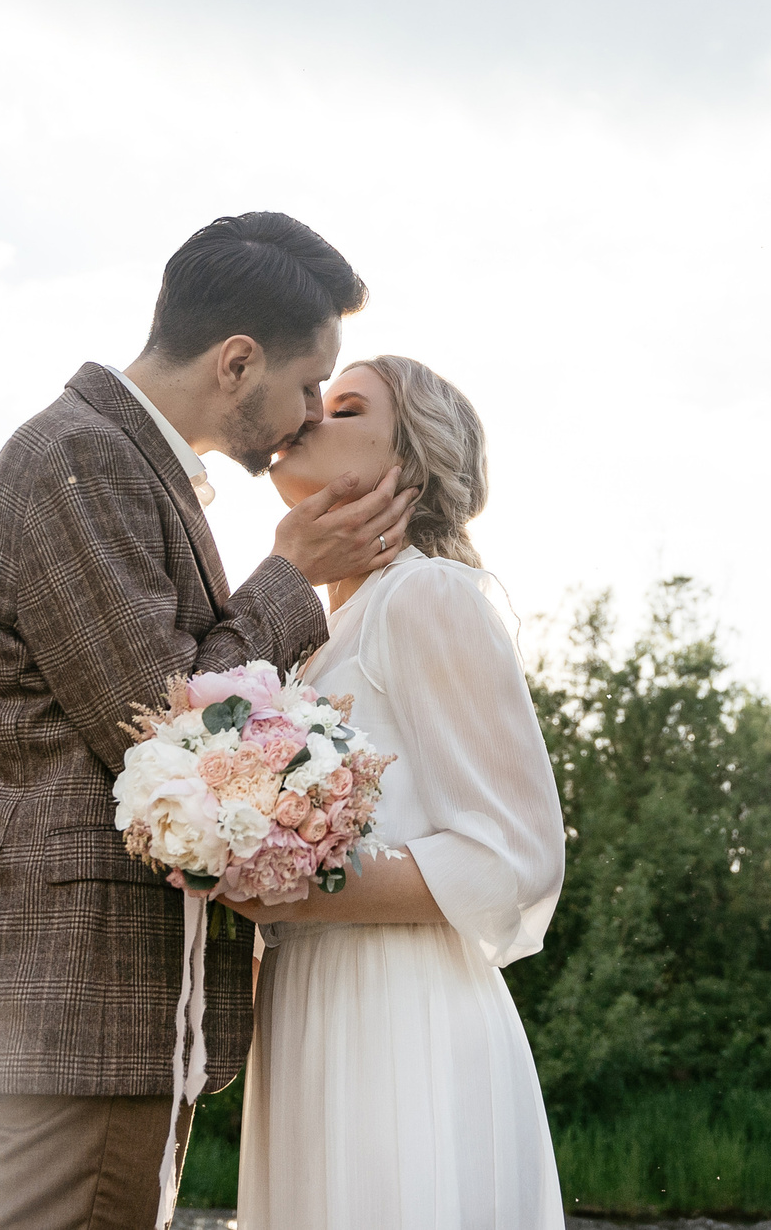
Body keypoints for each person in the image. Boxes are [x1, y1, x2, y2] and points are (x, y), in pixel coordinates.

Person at [0, 213, 421, 1230]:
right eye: (306, 385)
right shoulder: (77, 460)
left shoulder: (127, 465)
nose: (306, 416)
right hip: (77, 993)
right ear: (237, 362)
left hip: (90, 1002)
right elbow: (170, 726)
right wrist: (293, 576)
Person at [228, 355, 567, 1230]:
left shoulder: (429, 596)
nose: (308, 413)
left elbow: (512, 857)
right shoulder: (316, 638)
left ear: (405, 470)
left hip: (397, 1018)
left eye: (343, 407)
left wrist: (292, 886)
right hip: (307, 1013)